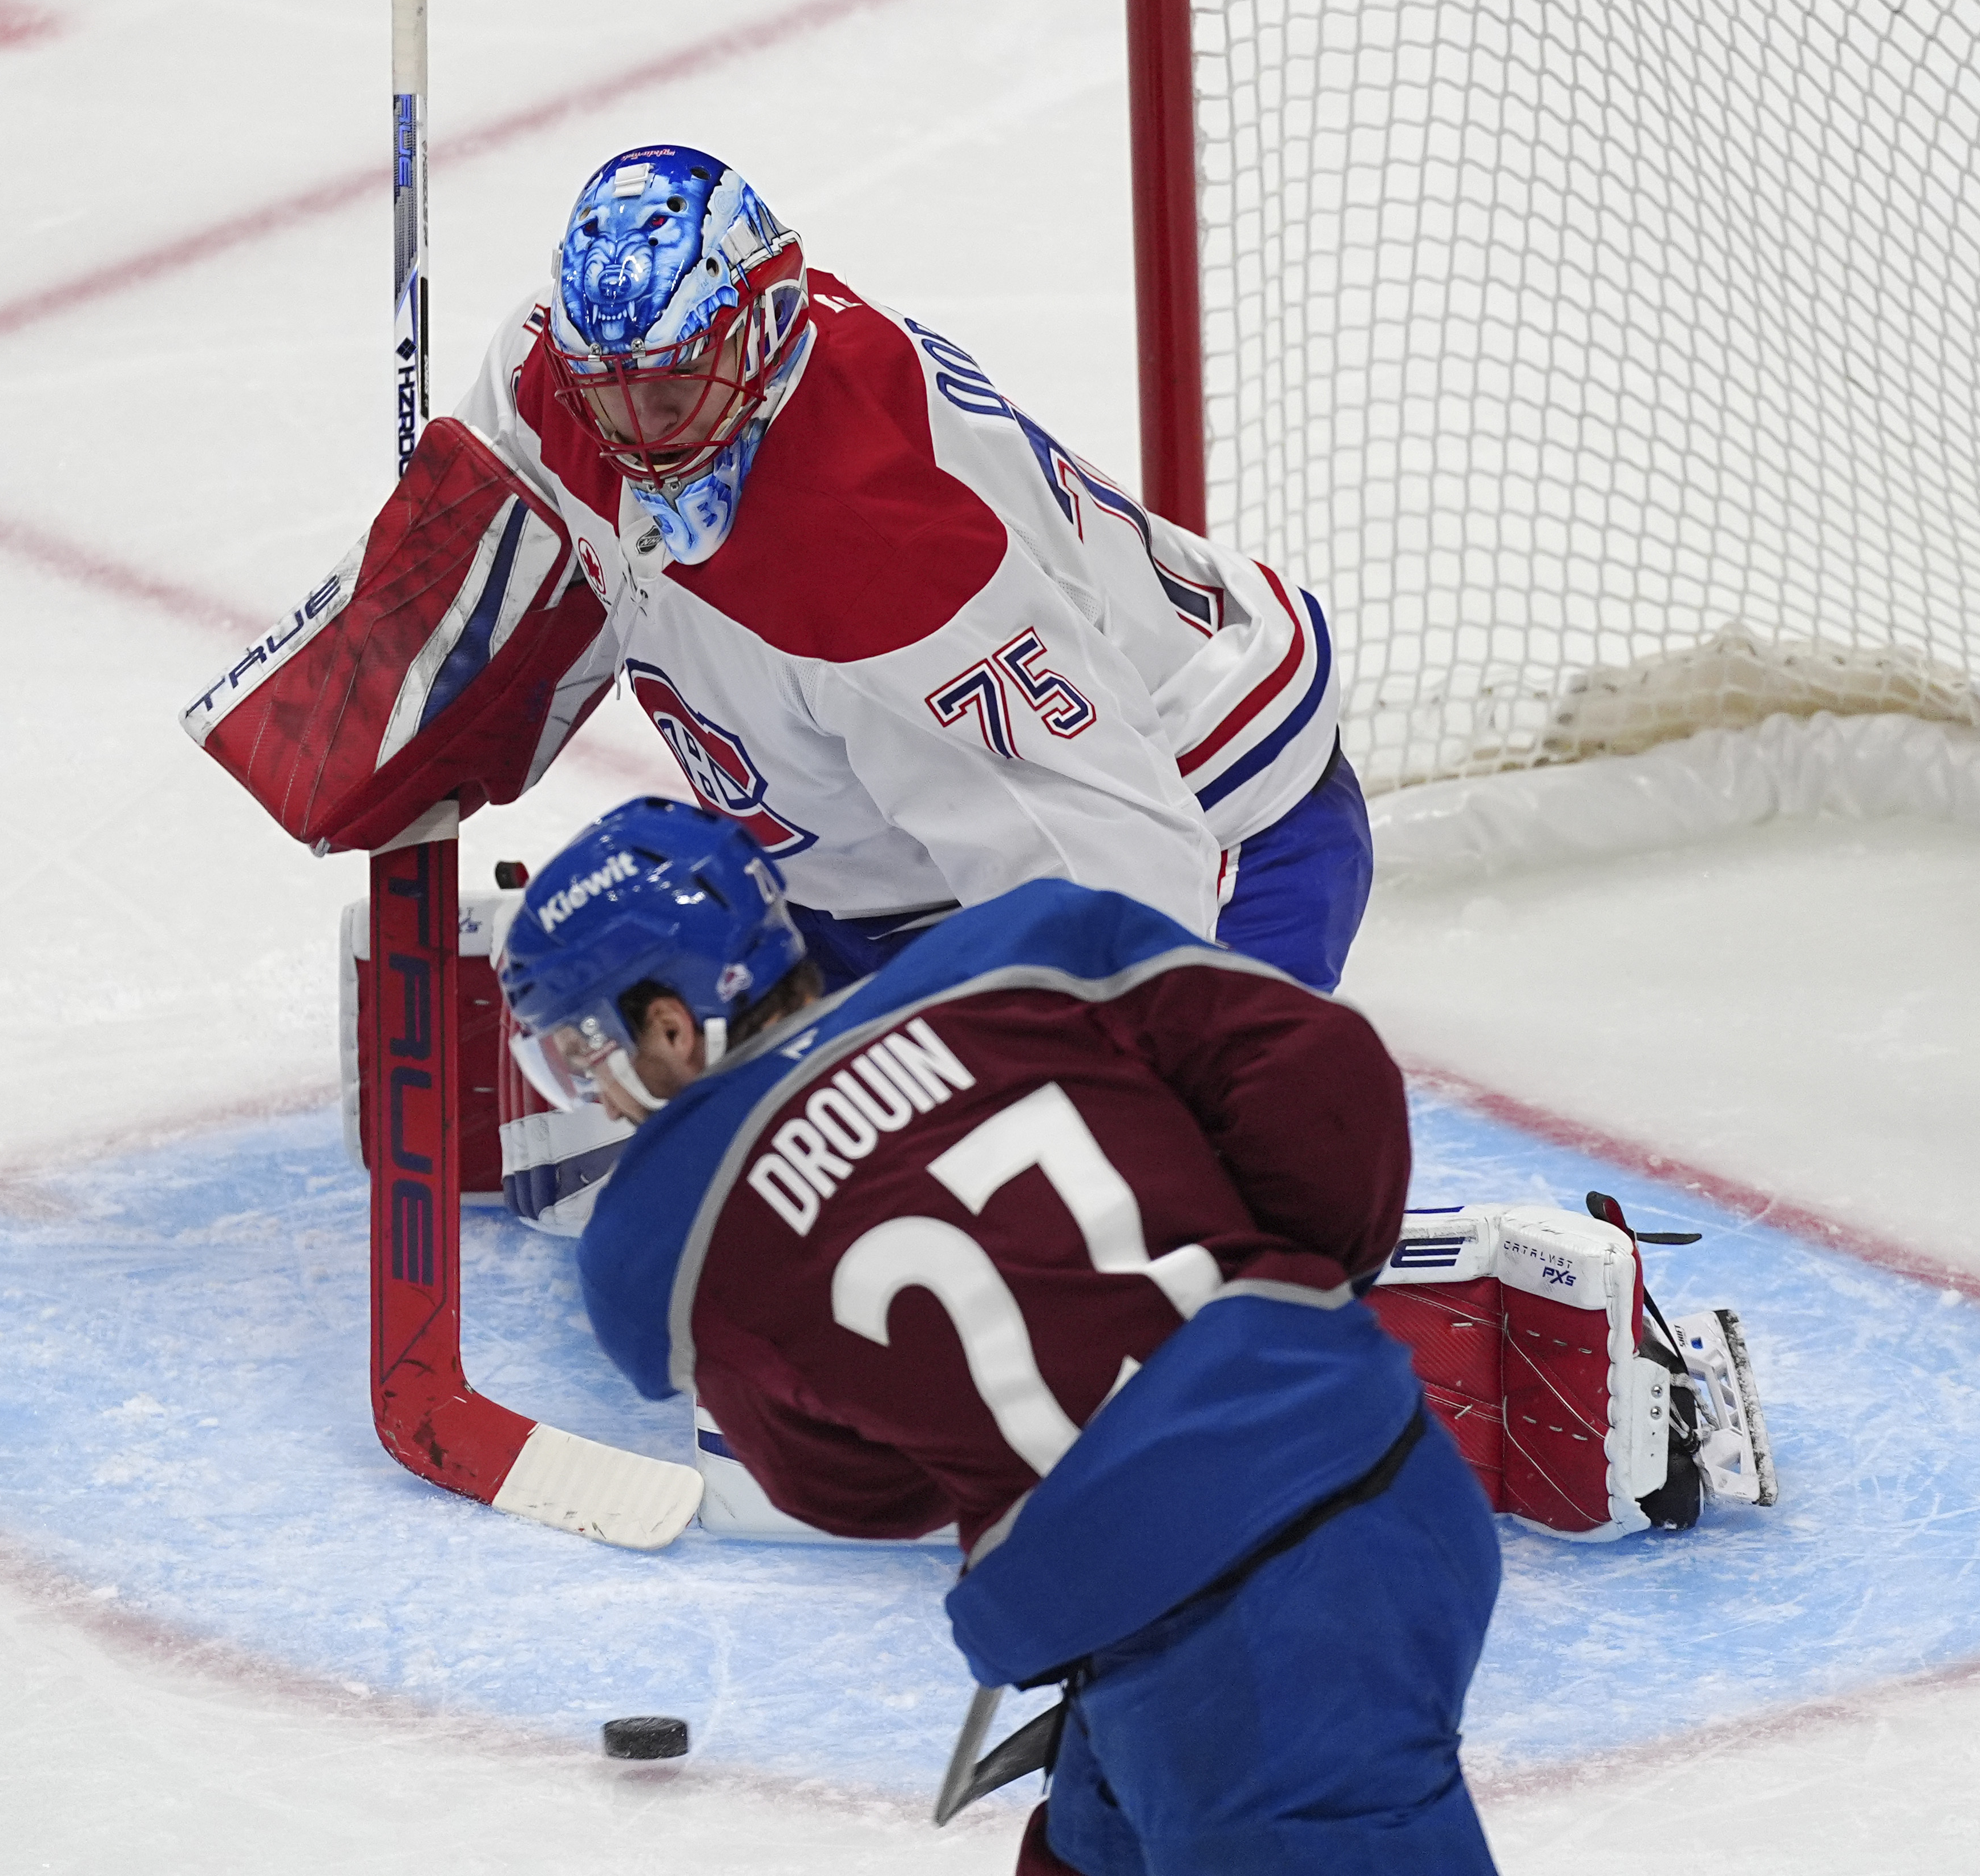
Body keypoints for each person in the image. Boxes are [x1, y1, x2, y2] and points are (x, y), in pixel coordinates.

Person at [496, 796, 1502, 1875]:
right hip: (1353, 1471)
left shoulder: (662, 1240)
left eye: (585, 1050)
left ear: (670, 1024)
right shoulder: (1024, 948)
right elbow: (1322, 1081)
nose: (594, 1090)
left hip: (1237, 1617)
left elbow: (844, 1488)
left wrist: (1026, 1461)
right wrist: (1278, 1318)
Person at [454, 140, 1371, 993]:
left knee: (1111, 1148)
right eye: (610, 398)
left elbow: (1114, 866)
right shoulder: (557, 384)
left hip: (1211, 818)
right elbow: (468, 550)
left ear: (767, 323)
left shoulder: (883, 561)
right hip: (894, 863)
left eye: (672, 390)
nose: (644, 438)